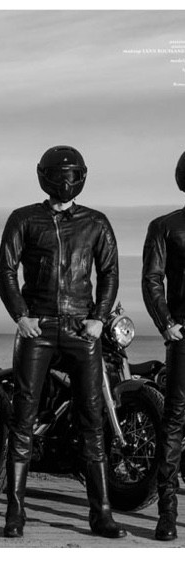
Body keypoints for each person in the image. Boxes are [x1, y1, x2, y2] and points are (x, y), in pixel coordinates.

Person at [0, 145, 126, 539]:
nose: (65, 182)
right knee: (23, 419)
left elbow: (109, 271)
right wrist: (21, 316)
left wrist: (99, 318)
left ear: (80, 178)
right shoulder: (24, 218)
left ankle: (101, 514)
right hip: (37, 328)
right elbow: (5, 270)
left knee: (92, 420)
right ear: (45, 177)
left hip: (81, 329)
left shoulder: (95, 222)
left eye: (72, 175)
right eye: (59, 174)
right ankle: (15, 513)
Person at [141, 150, 185, 541]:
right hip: (183, 334)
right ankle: (167, 512)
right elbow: (152, 279)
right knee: (174, 421)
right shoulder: (165, 227)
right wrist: (166, 323)